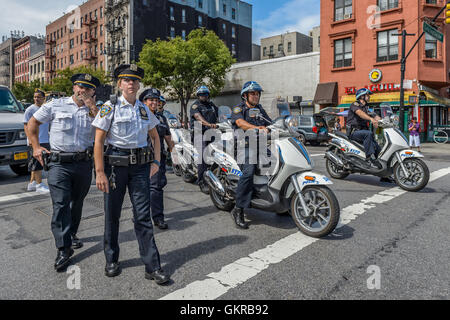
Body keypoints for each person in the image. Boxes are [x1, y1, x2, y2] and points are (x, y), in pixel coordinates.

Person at [92, 64, 170, 284]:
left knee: (143, 216)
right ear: (120, 84)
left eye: (135, 80)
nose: (132, 84)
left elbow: (155, 136)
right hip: (115, 168)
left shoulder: (144, 109)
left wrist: (156, 160)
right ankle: (111, 259)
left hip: (139, 169)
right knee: (112, 215)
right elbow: (98, 141)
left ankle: (152, 266)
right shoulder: (110, 107)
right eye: (127, 80)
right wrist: (99, 172)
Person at [27, 74, 100, 271]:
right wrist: (35, 147)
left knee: (76, 203)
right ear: (74, 87)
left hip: (83, 163)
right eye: (80, 86)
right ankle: (63, 248)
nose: (83, 91)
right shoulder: (55, 105)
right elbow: (32, 123)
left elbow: (104, 130)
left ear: (93, 92)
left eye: (88, 88)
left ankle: (72, 234)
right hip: (59, 163)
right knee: (60, 204)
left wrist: (92, 107)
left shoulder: (96, 110)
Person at [230, 81, 272, 229]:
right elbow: (240, 123)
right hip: (243, 148)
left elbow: (269, 123)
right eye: (252, 93)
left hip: (259, 146)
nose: (255, 96)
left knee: (278, 163)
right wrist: (257, 128)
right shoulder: (238, 108)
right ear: (245, 95)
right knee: (249, 171)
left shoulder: (260, 109)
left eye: (257, 93)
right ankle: (238, 209)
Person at [139, 88, 175, 230]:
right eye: (151, 100)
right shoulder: (138, 116)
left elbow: (167, 136)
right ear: (144, 102)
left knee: (157, 188)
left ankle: (158, 218)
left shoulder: (161, 118)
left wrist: (172, 149)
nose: (154, 102)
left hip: (157, 159)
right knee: (141, 188)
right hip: (141, 158)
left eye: (156, 100)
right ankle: (140, 214)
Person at [189, 85, 218, 194]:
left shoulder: (211, 105)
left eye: (205, 94)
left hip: (211, 133)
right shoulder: (195, 106)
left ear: (208, 95)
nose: (203, 96)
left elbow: (220, 114)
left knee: (221, 151)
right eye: (201, 94)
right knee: (203, 155)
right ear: (198, 95)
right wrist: (208, 124)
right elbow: (198, 117)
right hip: (199, 134)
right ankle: (201, 181)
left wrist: (227, 119)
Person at [346, 88, 382, 168]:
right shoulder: (355, 105)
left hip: (362, 132)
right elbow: (360, 113)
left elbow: (375, 115)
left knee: (377, 146)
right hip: (353, 132)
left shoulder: (366, 108)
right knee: (368, 133)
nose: (369, 97)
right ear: (362, 96)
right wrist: (371, 119)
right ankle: (369, 159)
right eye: (367, 95)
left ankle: (382, 167)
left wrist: (385, 120)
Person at [23, 88, 50, 194]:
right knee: (38, 163)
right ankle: (39, 184)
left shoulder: (46, 108)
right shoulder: (30, 109)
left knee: (36, 162)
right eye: (35, 97)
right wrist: (30, 139)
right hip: (35, 140)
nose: (36, 99)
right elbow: (26, 125)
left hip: (45, 139)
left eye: (39, 97)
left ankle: (32, 183)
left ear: (44, 98)